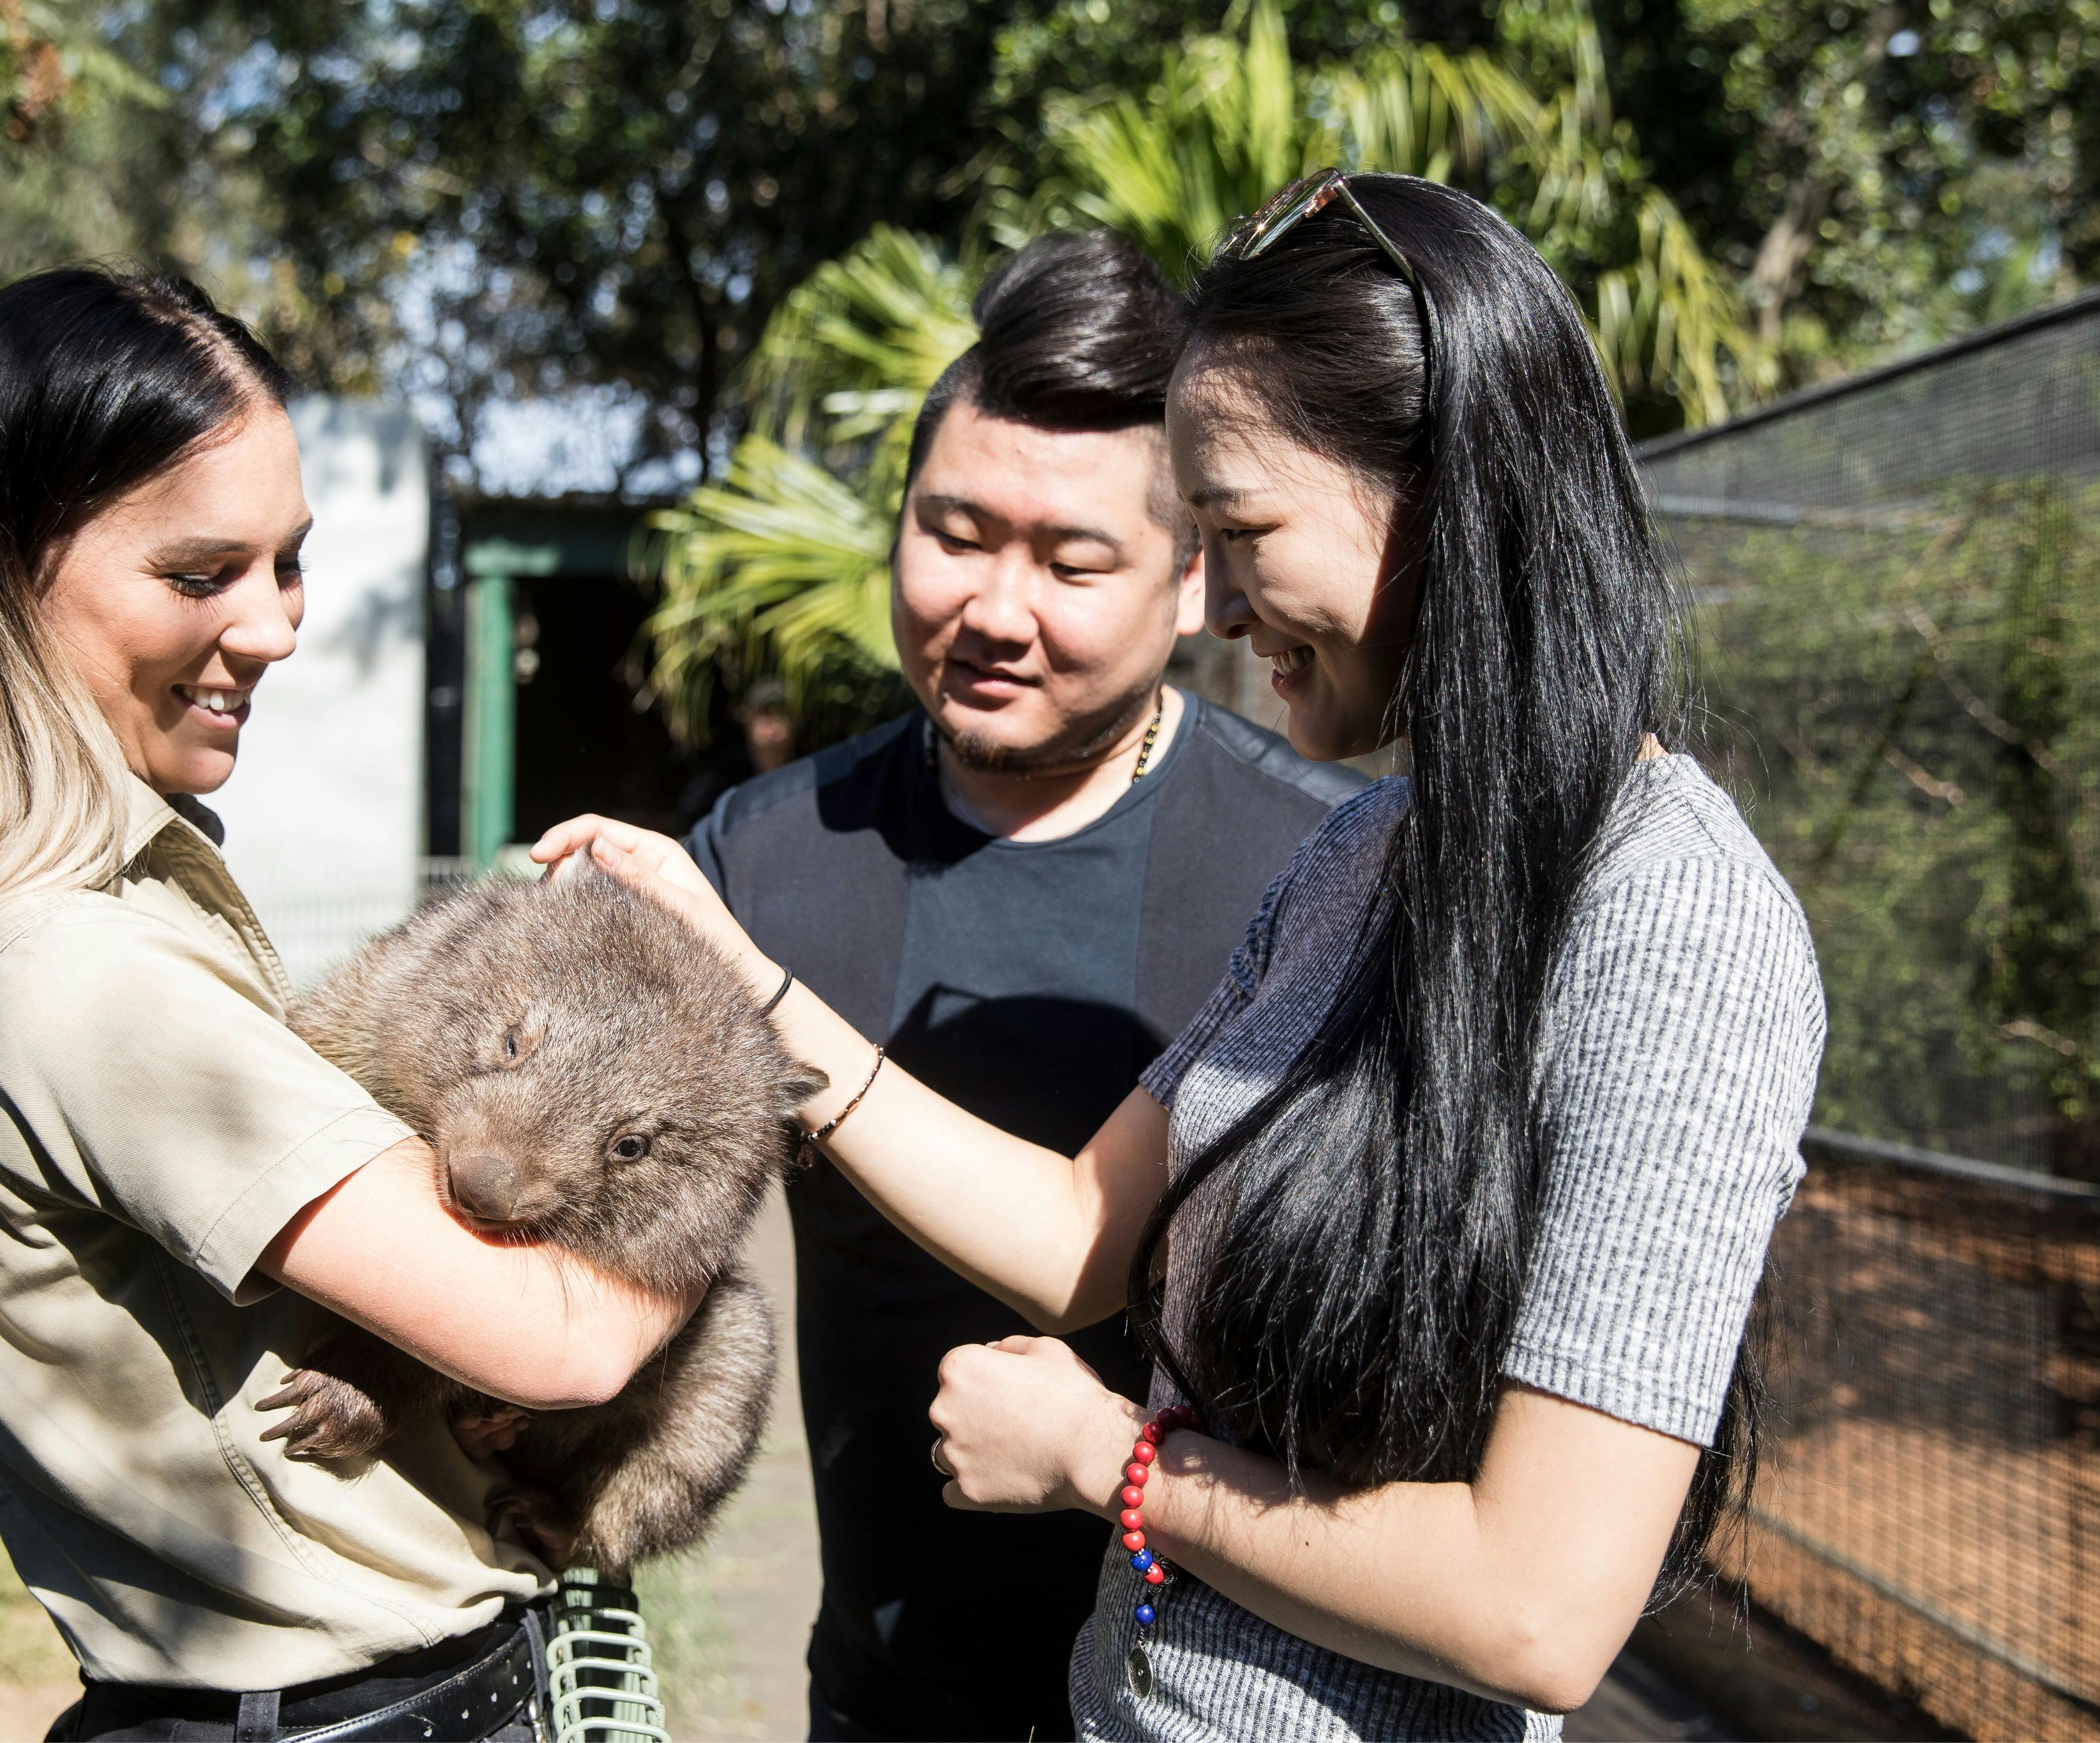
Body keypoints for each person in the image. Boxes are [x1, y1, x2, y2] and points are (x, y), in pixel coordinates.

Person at [538, 171, 1824, 1740]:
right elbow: (1085, 1226)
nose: (1209, 600)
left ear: (1451, 495)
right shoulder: (1369, 857)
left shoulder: (1672, 919)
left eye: (1240, 531)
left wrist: (1113, 1467)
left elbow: (1540, 1611)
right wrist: (742, 974)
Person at [0, 268, 694, 1740]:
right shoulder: (72, 973)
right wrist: (730, 1069)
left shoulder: (75, 907)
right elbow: (565, 1343)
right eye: (201, 574)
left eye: (289, 563)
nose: (278, 627)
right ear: (2, 571)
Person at [682, 230, 1361, 1741]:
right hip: (880, 1700)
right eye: (954, 532)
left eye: (1070, 562)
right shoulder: (766, 856)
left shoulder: (1317, 878)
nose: (993, 607)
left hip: (1213, 1703)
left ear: (1197, 581)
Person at [676, 675, 797, 829]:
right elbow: (694, 817)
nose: (774, 726)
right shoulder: (722, 774)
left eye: (782, 715)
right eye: (765, 715)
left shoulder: (805, 769)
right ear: (747, 716)